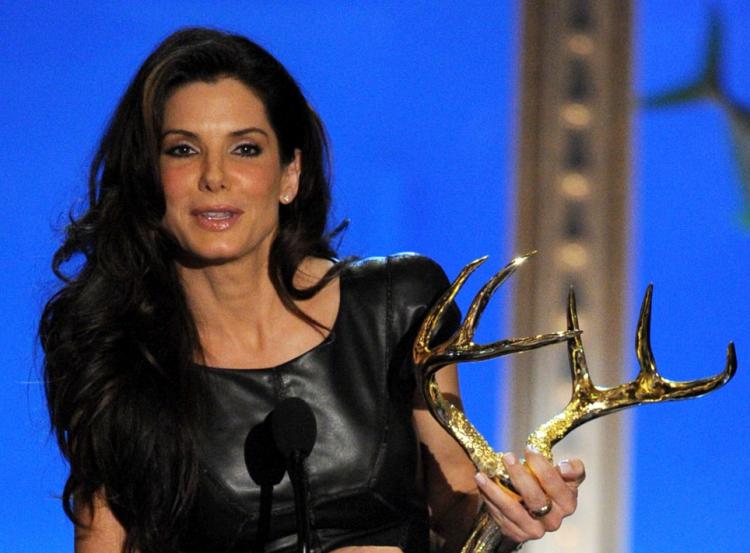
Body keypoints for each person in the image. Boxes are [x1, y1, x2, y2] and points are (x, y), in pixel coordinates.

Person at [40, 28, 585, 553]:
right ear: (148, 176)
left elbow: (455, 498)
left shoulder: (399, 304)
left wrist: (507, 516)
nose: (214, 177)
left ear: (289, 174)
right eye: (183, 150)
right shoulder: (113, 351)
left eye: (245, 149)